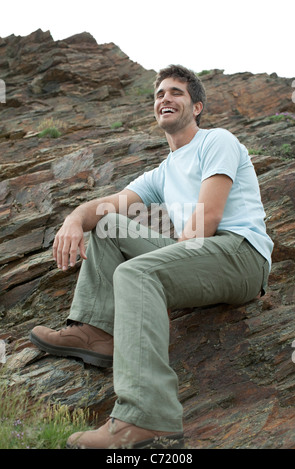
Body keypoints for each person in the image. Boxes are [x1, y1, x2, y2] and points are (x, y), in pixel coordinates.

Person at [30, 65, 273, 449]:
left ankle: (145, 417)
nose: (165, 99)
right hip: (199, 251)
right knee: (108, 226)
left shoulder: (217, 141)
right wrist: (75, 218)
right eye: (159, 94)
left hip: (240, 255)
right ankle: (98, 332)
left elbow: (207, 217)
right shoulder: (161, 172)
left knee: (136, 274)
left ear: (197, 107)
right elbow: (110, 205)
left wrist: (163, 267)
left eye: (176, 92)